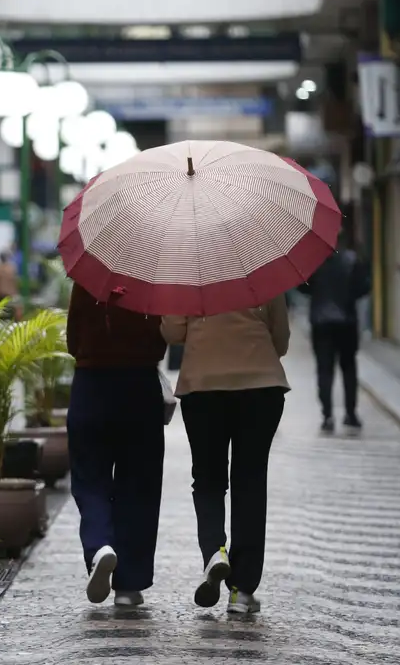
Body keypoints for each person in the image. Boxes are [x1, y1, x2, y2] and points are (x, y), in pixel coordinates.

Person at [162, 294, 290, 615]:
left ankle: (214, 553)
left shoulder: (190, 272)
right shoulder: (261, 267)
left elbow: (171, 332)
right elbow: (282, 341)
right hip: (261, 387)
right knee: (249, 481)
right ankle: (242, 592)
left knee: (207, 478)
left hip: (203, 387)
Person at [66, 284, 166, 607]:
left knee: (89, 475)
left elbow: (72, 338)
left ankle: (99, 547)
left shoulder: (88, 276)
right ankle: (129, 584)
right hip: (140, 386)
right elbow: (161, 341)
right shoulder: (151, 275)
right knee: (140, 483)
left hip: (91, 383)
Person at [297, 239, 371, 433]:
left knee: (324, 369)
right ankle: (351, 413)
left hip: (321, 322)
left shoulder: (313, 261)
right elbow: (364, 287)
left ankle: (327, 415)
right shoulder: (352, 260)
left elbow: (302, 287)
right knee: (348, 368)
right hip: (346, 321)